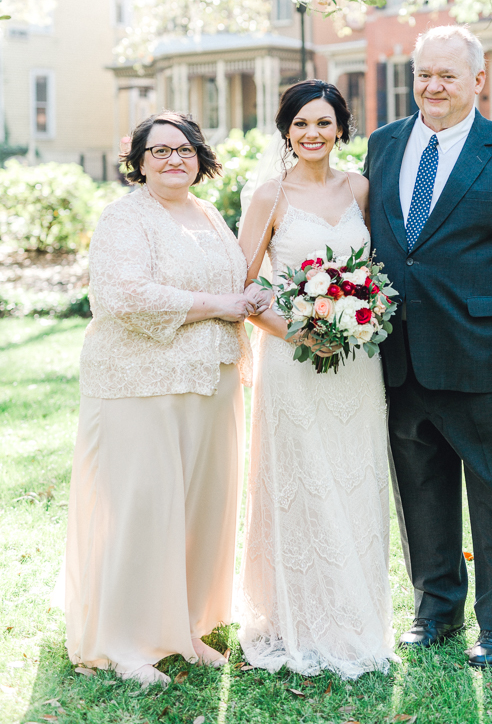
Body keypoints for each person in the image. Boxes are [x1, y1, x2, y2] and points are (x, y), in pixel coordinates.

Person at [364, 25, 492, 668]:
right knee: (420, 490)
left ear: (478, 80)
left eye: (448, 75)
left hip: (484, 359)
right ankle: (435, 609)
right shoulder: (384, 145)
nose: (433, 86)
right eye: (423, 73)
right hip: (399, 356)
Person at [65, 111, 271, 687]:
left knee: (199, 510)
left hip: (211, 382)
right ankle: (123, 641)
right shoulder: (125, 217)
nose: (173, 159)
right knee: (143, 510)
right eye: (159, 152)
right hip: (141, 383)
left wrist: (249, 297)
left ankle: (182, 629)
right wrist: (219, 303)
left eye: (183, 149)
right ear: (138, 163)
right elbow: (122, 293)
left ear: (200, 158)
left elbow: (234, 284)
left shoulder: (206, 214)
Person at [236, 81, 395, 680]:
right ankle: (293, 613)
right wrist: (295, 330)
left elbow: (378, 271)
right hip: (292, 360)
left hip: (356, 361)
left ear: (341, 129)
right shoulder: (268, 197)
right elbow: (245, 287)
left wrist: (363, 314)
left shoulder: (360, 188)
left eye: (324, 123)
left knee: (354, 476)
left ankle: (354, 613)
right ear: (285, 130)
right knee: (299, 481)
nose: (312, 134)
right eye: (301, 123)